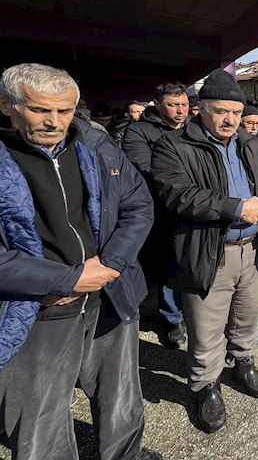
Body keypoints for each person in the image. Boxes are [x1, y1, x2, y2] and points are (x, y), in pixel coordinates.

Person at [0, 63, 160, 460]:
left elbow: (138, 204)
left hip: (109, 294)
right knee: (40, 419)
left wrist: (110, 265)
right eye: (40, 110)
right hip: (37, 308)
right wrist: (65, 280)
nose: (55, 122)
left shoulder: (94, 145)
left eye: (66, 110)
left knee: (121, 395)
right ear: (6, 105)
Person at [151, 68, 258, 433]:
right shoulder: (173, 145)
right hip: (209, 251)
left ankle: (243, 361)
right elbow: (178, 194)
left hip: (253, 248)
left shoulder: (251, 143)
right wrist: (238, 208)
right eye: (222, 111)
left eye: (236, 112)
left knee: (248, 313)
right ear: (201, 110)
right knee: (206, 326)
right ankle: (205, 385)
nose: (231, 119)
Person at [122, 83, 189, 347]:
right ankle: (173, 318)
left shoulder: (193, 130)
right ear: (158, 105)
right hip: (161, 209)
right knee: (169, 265)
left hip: (196, 208)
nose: (180, 110)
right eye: (173, 105)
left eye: (184, 104)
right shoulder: (138, 132)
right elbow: (147, 169)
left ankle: (196, 312)